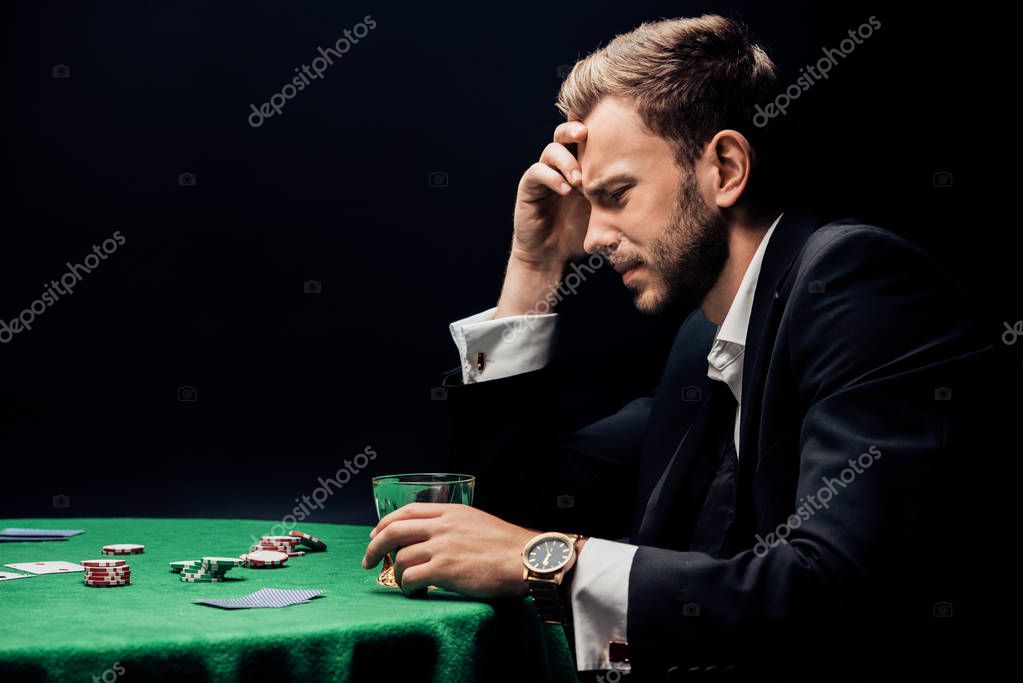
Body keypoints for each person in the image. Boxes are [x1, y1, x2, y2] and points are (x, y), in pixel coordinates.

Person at [362, 14, 990, 677]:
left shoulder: (856, 284)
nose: (594, 237)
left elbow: (832, 585)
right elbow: (515, 511)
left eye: (616, 195)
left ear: (724, 166)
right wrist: (532, 269)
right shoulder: (704, 343)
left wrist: (547, 559)